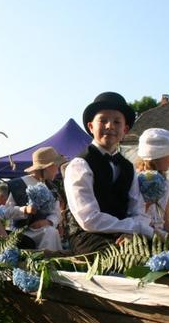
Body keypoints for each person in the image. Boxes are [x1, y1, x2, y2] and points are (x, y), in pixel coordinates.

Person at [64, 92, 155, 254]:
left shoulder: (128, 167)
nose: (110, 126)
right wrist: (134, 228)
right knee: (126, 257)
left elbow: (138, 209)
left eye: (116, 122)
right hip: (86, 235)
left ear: (125, 129)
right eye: (103, 120)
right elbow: (88, 219)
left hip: (125, 233)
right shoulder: (80, 164)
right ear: (91, 126)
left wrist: (133, 232)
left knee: (163, 254)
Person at [1, 147, 66, 251]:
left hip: (45, 231)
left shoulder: (52, 187)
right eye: (55, 166)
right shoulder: (18, 184)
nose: (57, 170)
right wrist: (24, 210)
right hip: (22, 234)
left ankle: (47, 262)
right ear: (46, 167)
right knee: (51, 233)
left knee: (51, 232)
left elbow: (56, 212)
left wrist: (48, 222)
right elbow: (6, 212)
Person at [137, 128, 169, 241]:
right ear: (157, 157)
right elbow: (139, 220)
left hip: (160, 235)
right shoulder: (137, 182)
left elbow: (166, 224)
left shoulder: (166, 183)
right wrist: (167, 239)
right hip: (143, 236)